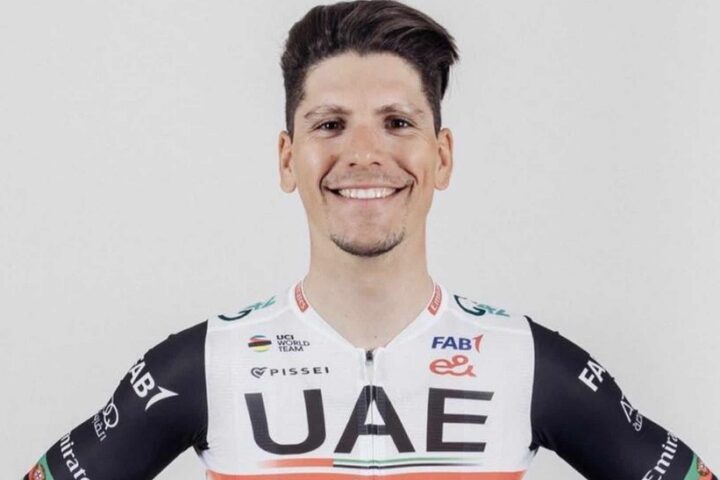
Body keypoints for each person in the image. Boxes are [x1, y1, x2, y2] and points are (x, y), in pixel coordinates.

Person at [23, 1, 715, 479]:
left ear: (442, 157)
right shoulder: (209, 362)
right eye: (330, 125)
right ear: (287, 159)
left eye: (397, 122)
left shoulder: (522, 359)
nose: (363, 154)